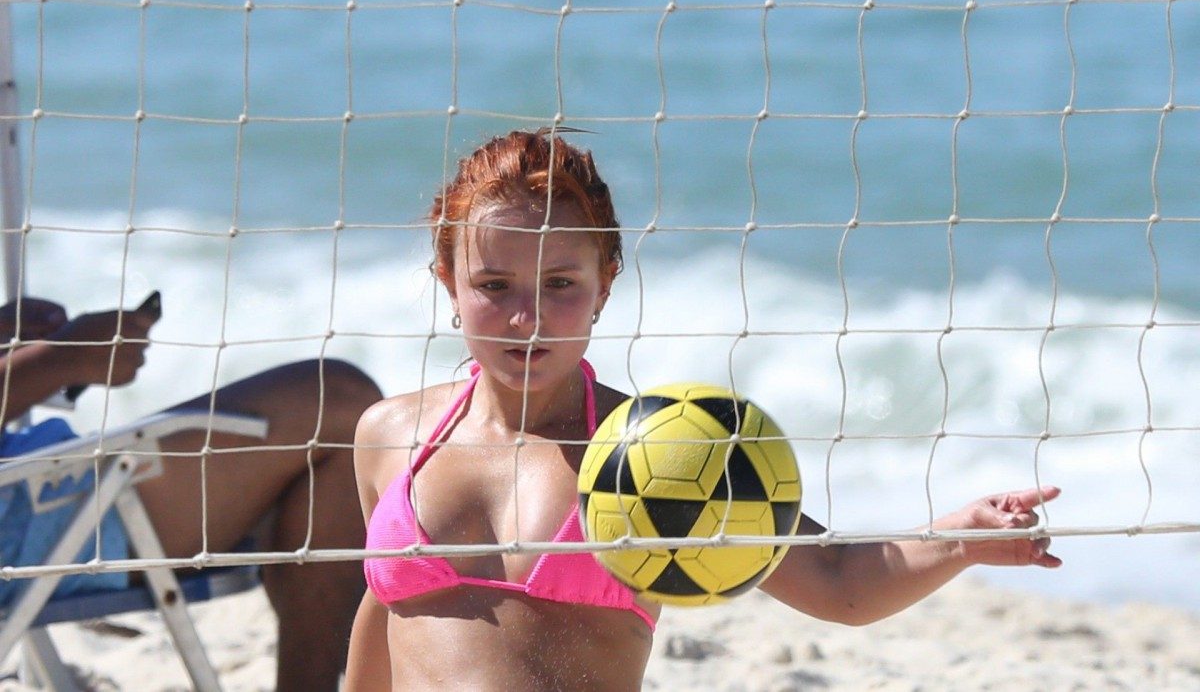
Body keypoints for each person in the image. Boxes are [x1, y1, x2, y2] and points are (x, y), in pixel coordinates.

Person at [345, 129, 1063, 691]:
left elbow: (839, 582)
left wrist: (960, 539)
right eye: (494, 285)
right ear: (449, 280)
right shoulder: (390, 434)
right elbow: (383, 608)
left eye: (559, 283)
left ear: (604, 286)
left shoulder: (655, 448)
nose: (525, 318)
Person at [0, 294, 383, 692]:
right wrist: (58, 360)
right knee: (339, 404)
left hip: (24, 475)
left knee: (327, 420)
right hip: (24, 510)